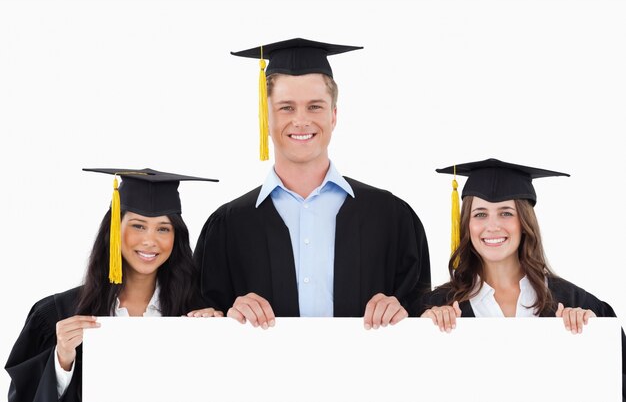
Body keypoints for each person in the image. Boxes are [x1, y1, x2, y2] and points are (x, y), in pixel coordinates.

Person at [194, 38, 431, 330]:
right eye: (286, 108)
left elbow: (424, 317)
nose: (301, 120)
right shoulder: (227, 227)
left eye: (315, 107)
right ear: (265, 118)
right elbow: (200, 322)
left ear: (334, 116)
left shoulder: (391, 217)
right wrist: (228, 316)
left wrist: (401, 312)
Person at [5, 168, 220, 402]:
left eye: (163, 228)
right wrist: (62, 360)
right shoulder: (59, 313)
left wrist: (217, 339)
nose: (150, 240)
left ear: (175, 236)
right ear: (115, 229)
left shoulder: (195, 315)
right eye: (138, 225)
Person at [418, 158, 625, 398]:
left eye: (506, 213)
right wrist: (419, 335)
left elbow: (614, 383)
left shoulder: (574, 303)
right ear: (467, 224)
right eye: (480, 214)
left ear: (524, 222)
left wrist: (594, 339)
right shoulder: (438, 307)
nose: (492, 226)